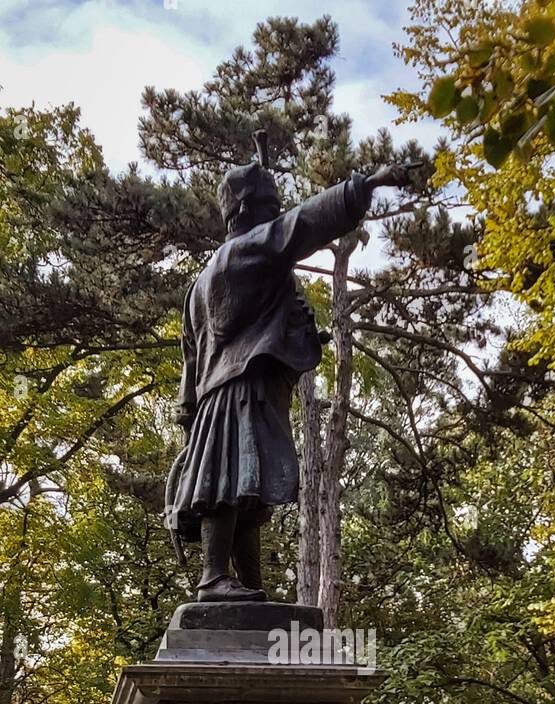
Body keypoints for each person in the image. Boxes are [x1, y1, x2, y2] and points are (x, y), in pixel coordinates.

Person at [166, 144, 416, 601]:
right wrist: (366, 185)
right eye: (270, 206)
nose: (277, 213)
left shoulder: (198, 286)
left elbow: (191, 363)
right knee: (228, 481)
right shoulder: (246, 252)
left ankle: (245, 586)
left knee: (247, 488)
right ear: (245, 211)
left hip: (218, 394)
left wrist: (189, 417)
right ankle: (213, 578)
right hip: (239, 389)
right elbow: (301, 224)